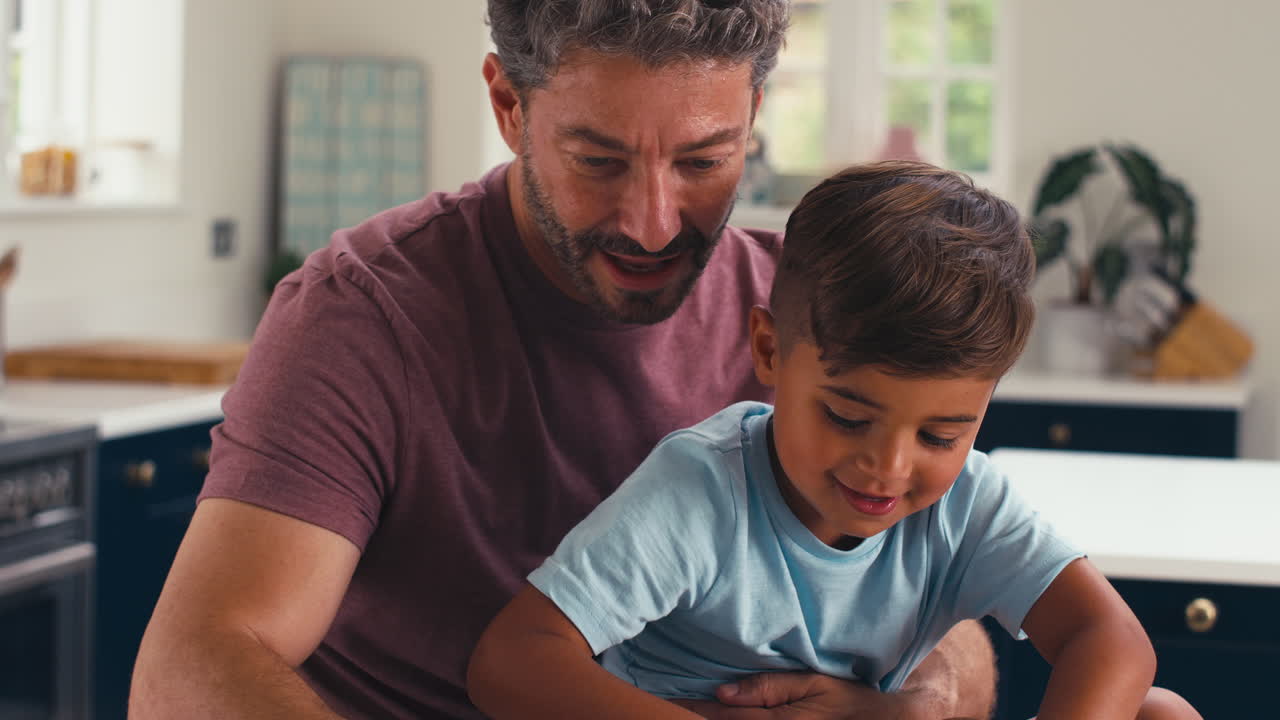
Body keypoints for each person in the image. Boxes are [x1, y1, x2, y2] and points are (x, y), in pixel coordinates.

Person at [129, 2, 1000, 718]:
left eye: (704, 159)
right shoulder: (364, 315)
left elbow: (933, 600)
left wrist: (919, 700)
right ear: (509, 105)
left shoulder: (815, 321)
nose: (654, 222)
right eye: (599, 160)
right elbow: (194, 671)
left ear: (754, 117)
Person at [468, 163, 1202, 720]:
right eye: (849, 417)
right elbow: (511, 660)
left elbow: (1109, 638)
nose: (887, 466)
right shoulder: (703, 488)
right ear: (770, 350)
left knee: (1165, 712)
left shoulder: (970, 504)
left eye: (942, 434)